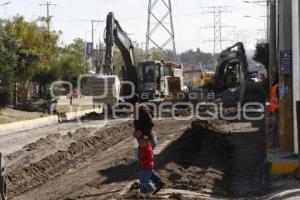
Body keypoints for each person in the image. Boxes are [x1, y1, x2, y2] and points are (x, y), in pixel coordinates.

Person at [268, 77, 279, 148]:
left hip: (274, 109)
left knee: (275, 127)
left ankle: (274, 144)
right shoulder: (278, 87)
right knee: (277, 127)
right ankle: (277, 144)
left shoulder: (274, 87)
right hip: (278, 109)